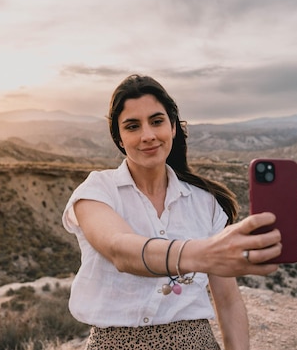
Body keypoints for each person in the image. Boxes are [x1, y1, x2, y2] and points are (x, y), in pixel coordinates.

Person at [62, 74, 282, 350]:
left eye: (157, 121)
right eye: (132, 126)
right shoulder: (97, 190)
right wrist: (206, 254)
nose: (148, 135)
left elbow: (227, 301)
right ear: (119, 138)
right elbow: (120, 249)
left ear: (173, 127)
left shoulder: (206, 203)